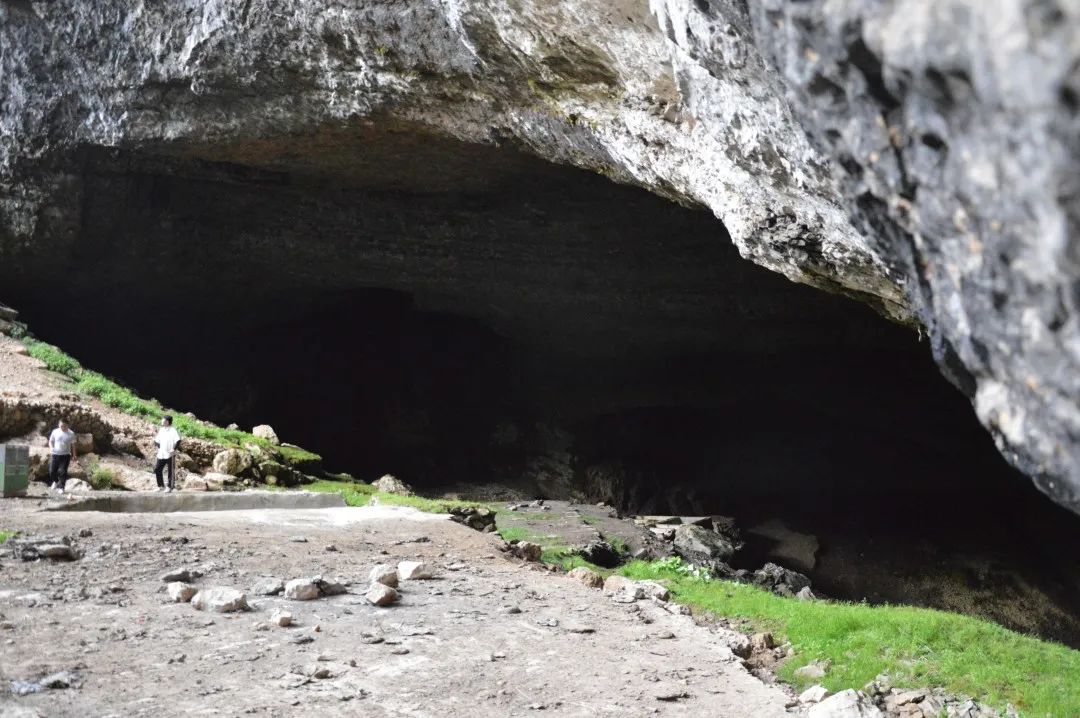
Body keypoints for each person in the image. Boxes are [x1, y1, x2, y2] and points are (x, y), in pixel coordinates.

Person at [47, 419, 77, 493]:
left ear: (68, 425)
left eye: (64, 426)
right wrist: (51, 448)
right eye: (61, 426)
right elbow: (51, 441)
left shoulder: (71, 433)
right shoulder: (55, 431)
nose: (62, 427)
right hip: (55, 454)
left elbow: (73, 445)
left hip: (65, 455)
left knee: (62, 472)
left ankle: (61, 488)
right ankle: (56, 481)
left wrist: (74, 455)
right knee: (52, 471)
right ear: (59, 424)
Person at [153, 416, 182, 493]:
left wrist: (174, 449)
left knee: (170, 470)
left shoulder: (173, 430)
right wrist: (159, 447)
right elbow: (156, 440)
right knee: (157, 469)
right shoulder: (161, 430)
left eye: (163, 420)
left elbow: (178, 440)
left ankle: (170, 487)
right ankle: (161, 486)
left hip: (170, 453)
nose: (162, 421)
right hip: (161, 453)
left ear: (167, 421)